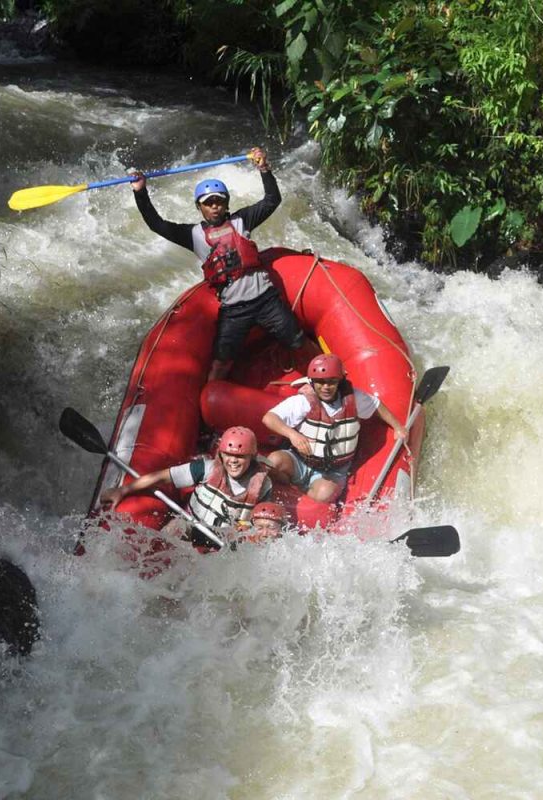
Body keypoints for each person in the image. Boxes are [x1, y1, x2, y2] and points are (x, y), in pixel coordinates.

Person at [128, 147, 307, 380]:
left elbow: (273, 199)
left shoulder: (242, 220)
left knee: (298, 341)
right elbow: (156, 224)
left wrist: (263, 168)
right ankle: (213, 402)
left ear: (226, 204)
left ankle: (324, 377)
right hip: (234, 310)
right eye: (208, 203)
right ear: (199, 207)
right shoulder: (193, 235)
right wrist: (141, 192)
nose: (214, 206)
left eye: (219, 202)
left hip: (266, 301)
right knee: (220, 364)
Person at [261, 353, 408, 505]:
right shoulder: (302, 402)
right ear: (312, 381)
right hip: (300, 460)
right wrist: (293, 435)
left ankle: (308, 499)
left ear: (339, 381)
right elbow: (269, 418)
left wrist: (397, 427)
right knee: (273, 461)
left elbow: (377, 406)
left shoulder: (354, 398)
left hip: (334, 469)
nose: (325, 387)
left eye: (331, 382)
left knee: (324, 496)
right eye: (320, 382)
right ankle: (291, 488)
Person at [99, 426, 271, 544]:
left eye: (241, 456)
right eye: (228, 454)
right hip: (191, 523)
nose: (233, 461)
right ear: (221, 453)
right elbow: (161, 477)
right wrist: (123, 490)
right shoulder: (207, 468)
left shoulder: (262, 485)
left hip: (226, 537)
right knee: (177, 527)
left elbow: (259, 521)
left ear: (252, 456)